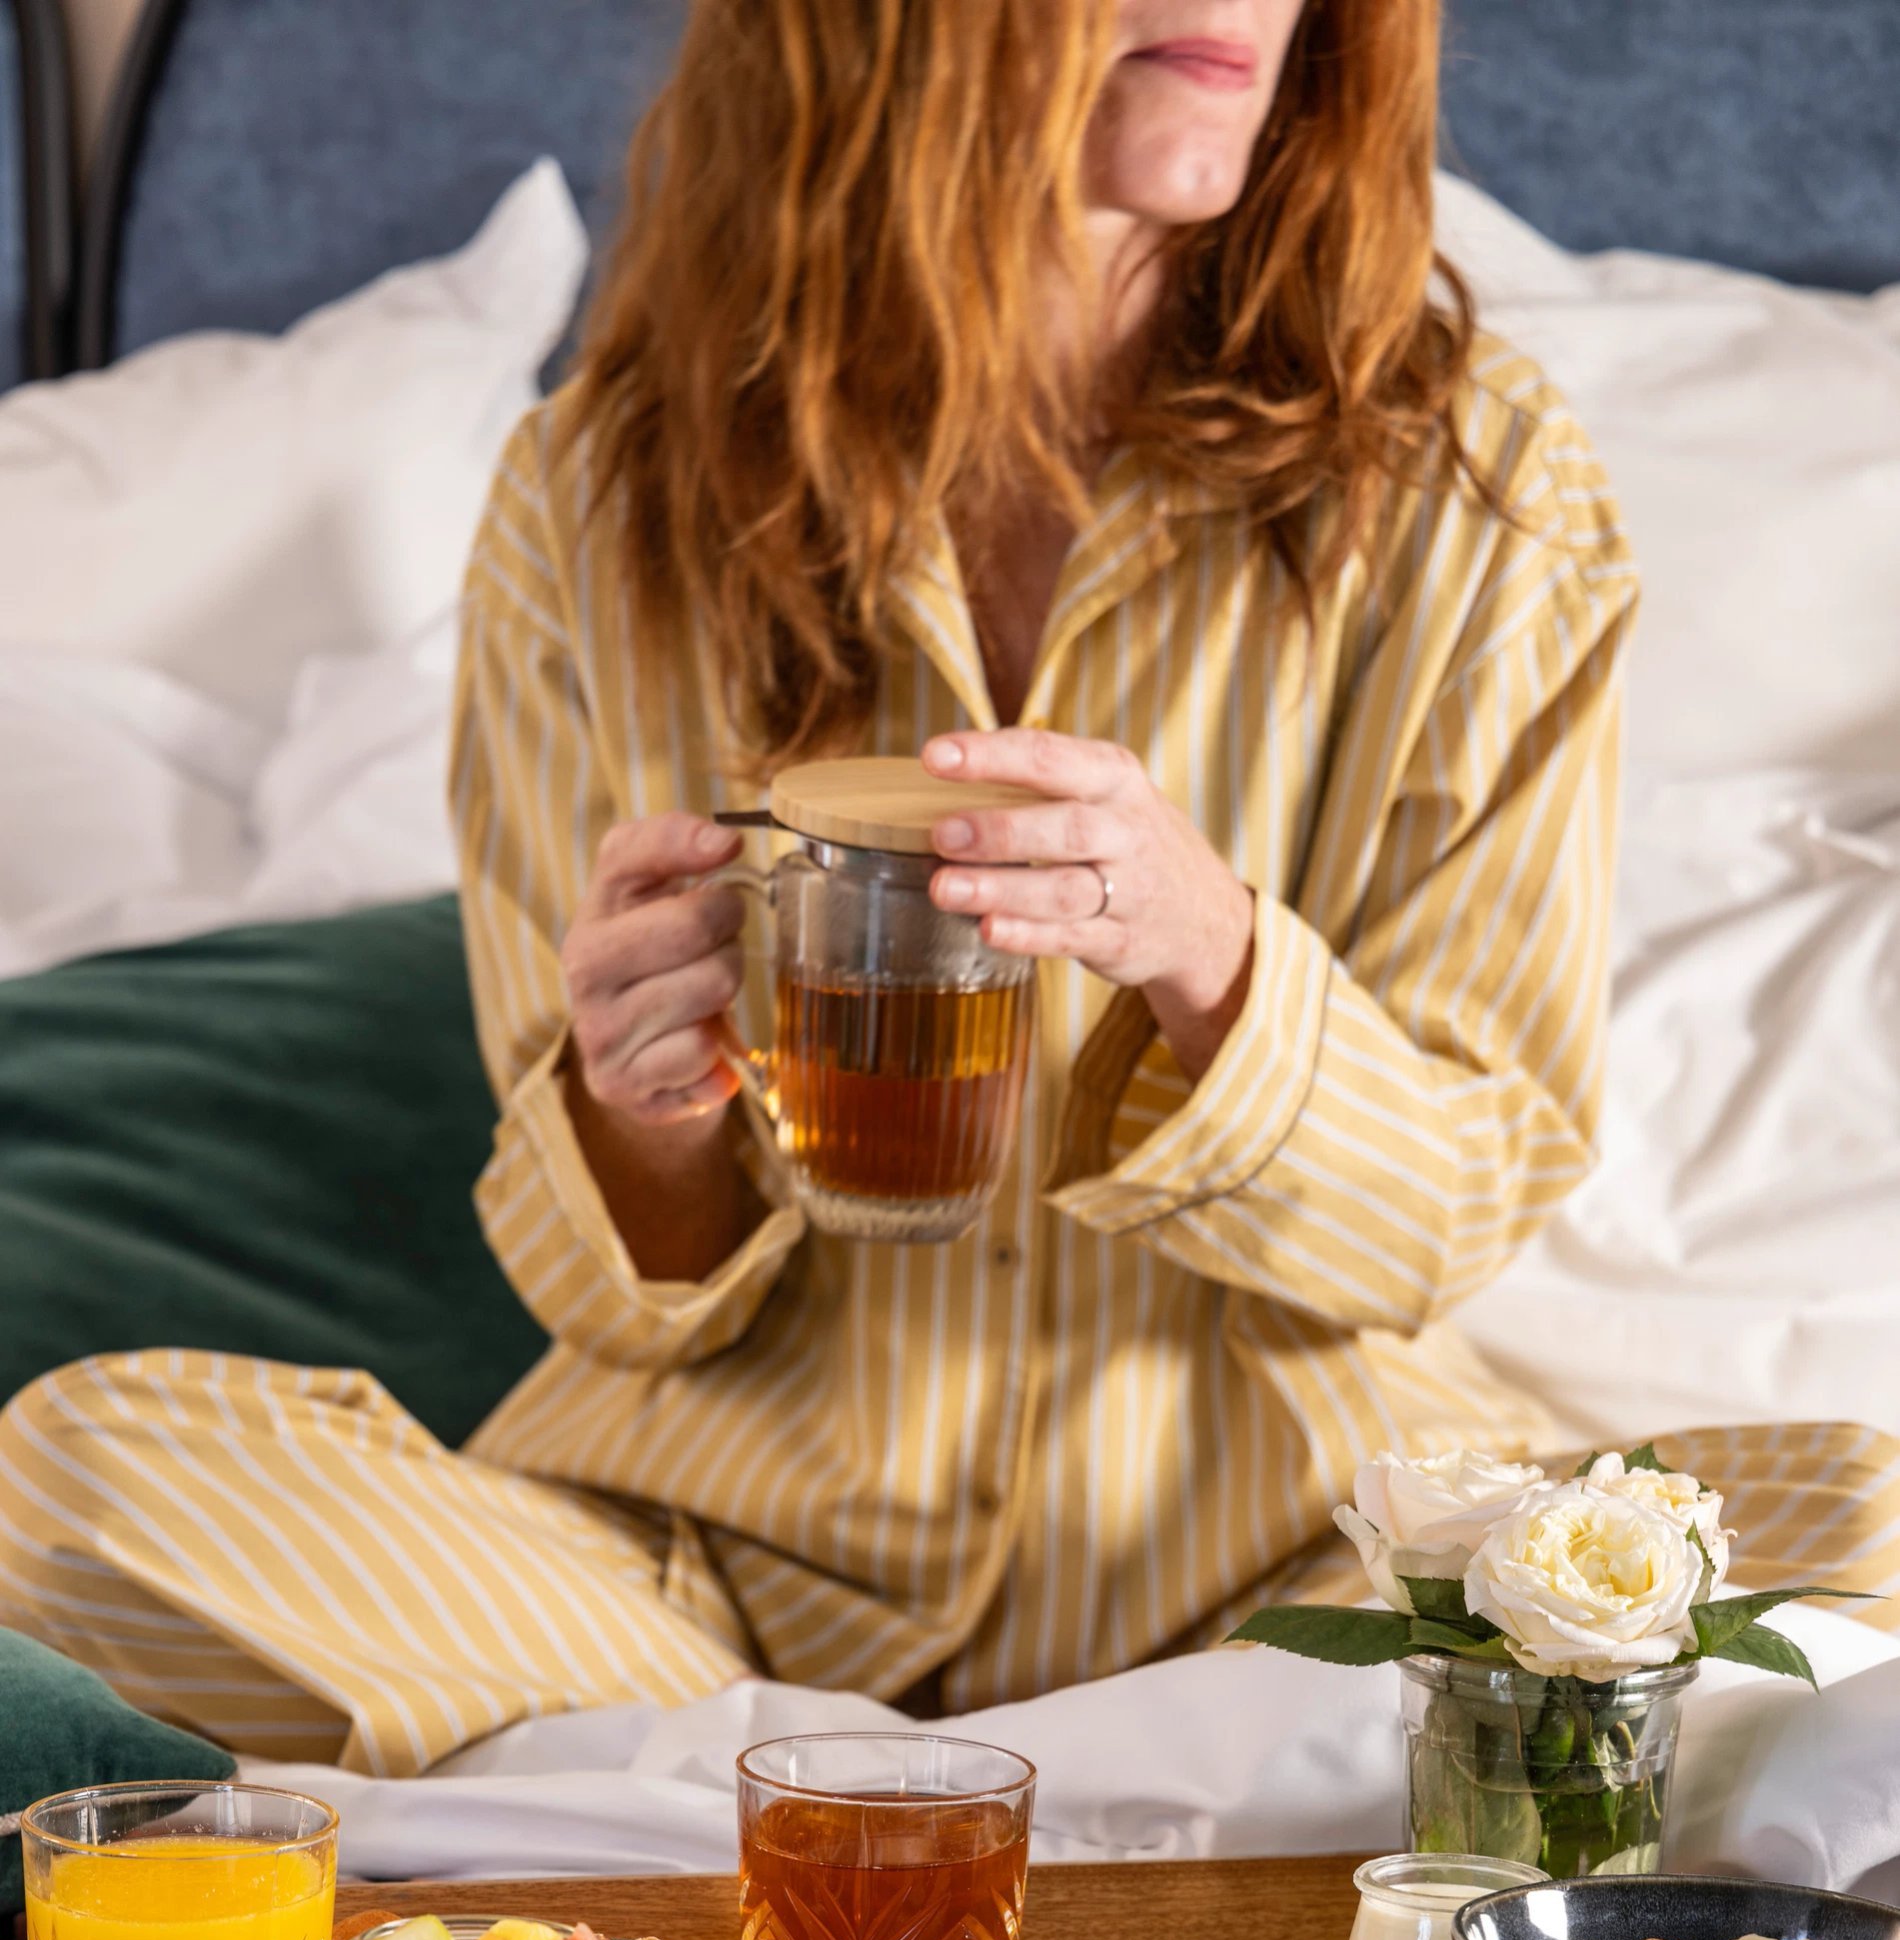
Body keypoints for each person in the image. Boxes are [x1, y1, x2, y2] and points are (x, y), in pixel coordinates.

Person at [0, 0, 1891, 1777]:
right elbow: (596, 1291)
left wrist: (1212, 956)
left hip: (1290, 1576)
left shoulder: (1478, 487)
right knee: (77, 1470)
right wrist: (639, 1106)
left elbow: (1463, 1201)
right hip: (694, 1591)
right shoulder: (597, 497)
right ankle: (1074, 1817)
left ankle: (823, 1820)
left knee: (1855, 1531)